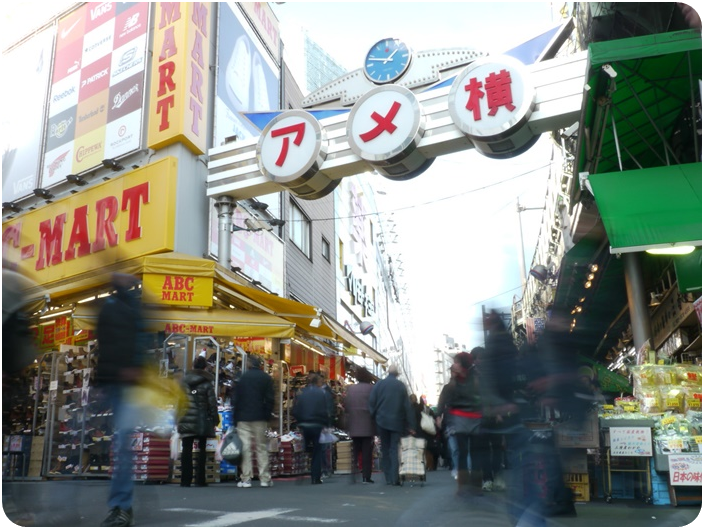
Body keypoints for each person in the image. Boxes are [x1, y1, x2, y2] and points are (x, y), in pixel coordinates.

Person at [95, 273, 146, 527]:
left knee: (122, 445)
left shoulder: (133, 305)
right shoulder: (109, 305)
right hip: (113, 382)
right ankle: (120, 505)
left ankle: (121, 506)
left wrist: (135, 367)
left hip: (128, 384)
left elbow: (143, 340)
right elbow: (103, 345)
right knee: (119, 445)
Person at [437, 351, 485, 496]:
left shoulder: (475, 379)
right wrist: (439, 415)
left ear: (463, 364)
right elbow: (443, 400)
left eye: (457, 362)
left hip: (474, 419)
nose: (454, 365)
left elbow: (484, 398)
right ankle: (464, 486)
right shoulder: (453, 383)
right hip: (460, 420)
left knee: (475, 453)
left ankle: (475, 486)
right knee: (463, 453)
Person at [368, 364, 415, 486]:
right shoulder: (400, 386)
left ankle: (388, 477)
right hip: (396, 422)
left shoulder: (379, 385)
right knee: (394, 449)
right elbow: (407, 406)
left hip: (382, 421)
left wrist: (374, 416)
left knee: (385, 448)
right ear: (397, 374)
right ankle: (395, 477)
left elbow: (371, 402)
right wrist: (411, 424)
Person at [233, 355, 275, 488]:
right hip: (260, 416)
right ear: (260, 365)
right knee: (261, 447)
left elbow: (236, 399)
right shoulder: (266, 378)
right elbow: (270, 399)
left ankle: (246, 478)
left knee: (245, 448)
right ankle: (264, 478)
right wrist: (267, 415)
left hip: (243, 417)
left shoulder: (242, 378)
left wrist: (235, 417)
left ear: (249, 365)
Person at [177, 355, 220, 487]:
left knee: (186, 449)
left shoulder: (183, 382)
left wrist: (177, 418)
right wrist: (215, 419)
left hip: (186, 417)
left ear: (193, 367)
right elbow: (212, 403)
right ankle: (200, 479)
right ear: (205, 368)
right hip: (202, 420)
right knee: (202, 449)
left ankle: (185, 480)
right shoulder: (207, 383)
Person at [292, 372, 333, 484]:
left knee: (305, 449)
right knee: (317, 451)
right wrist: (326, 424)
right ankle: (315, 477)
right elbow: (326, 411)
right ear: (318, 383)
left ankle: (300, 475)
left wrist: (299, 421)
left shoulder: (302, 393)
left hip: (304, 424)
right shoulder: (322, 393)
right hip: (317, 424)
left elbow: (295, 409)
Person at [344, 370, 376, 483]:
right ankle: (366, 476)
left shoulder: (351, 389)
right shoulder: (371, 389)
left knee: (355, 451)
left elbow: (346, 405)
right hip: (367, 425)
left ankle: (353, 473)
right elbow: (374, 405)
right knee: (367, 453)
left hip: (354, 425)